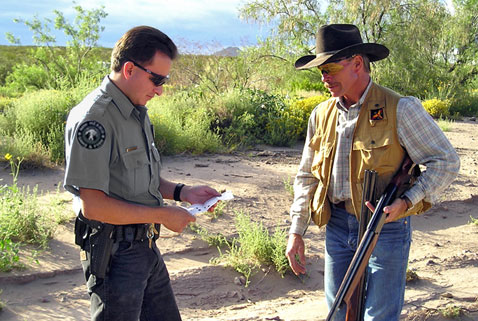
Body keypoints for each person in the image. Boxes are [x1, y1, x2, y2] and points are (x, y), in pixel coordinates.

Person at [285, 24, 460, 320]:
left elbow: (446, 162)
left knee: (379, 316)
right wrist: (296, 231)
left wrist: (407, 201)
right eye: (320, 71)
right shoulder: (321, 115)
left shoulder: (401, 108)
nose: (324, 78)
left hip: (386, 229)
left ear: (357, 63)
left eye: (329, 68)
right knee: (339, 313)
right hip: (337, 227)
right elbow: (307, 177)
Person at [63, 26, 220, 321]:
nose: (160, 89)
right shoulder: (94, 119)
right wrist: (163, 215)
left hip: (145, 246)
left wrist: (182, 192)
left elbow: (136, 179)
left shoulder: (135, 110)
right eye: (157, 79)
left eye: (165, 80)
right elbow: (93, 205)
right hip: (114, 254)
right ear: (130, 69)